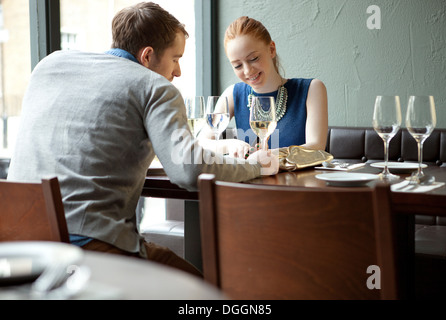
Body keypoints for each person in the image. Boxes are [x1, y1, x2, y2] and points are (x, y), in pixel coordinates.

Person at [7, 3, 277, 277]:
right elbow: (188, 170)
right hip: (87, 246)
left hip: (18, 240)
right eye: (175, 58)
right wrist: (255, 166)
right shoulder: (155, 86)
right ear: (147, 56)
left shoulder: (49, 65)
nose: (179, 72)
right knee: (201, 288)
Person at [200, 16, 328, 159]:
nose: (247, 71)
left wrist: (268, 155)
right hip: (250, 181)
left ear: (271, 49)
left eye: (253, 58)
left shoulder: (312, 89)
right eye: (238, 65)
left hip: (297, 181)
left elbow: (316, 148)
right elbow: (201, 143)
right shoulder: (232, 94)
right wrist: (229, 145)